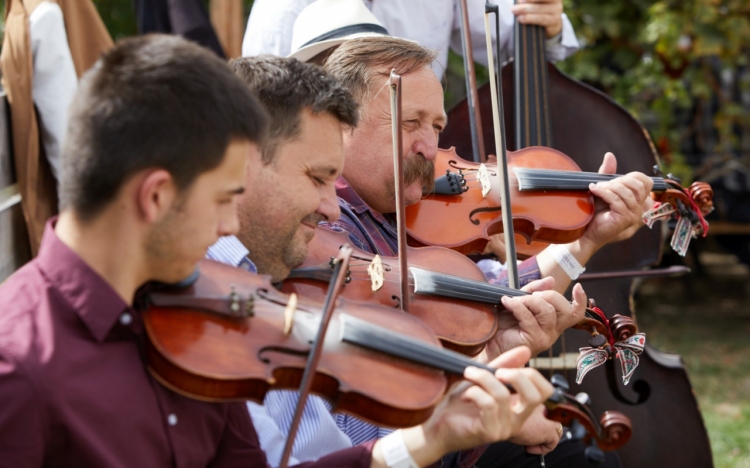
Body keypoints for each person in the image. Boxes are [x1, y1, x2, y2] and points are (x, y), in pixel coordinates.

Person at [0, 35, 553, 468]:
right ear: (157, 195)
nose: (226, 225)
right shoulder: (21, 368)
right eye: (222, 199)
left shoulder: (205, 311)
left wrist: (435, 435)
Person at [242, 0, 579, 79]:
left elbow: (508, 38)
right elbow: (272, 126)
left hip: (423, 167)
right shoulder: (279, 14)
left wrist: (546, 25)